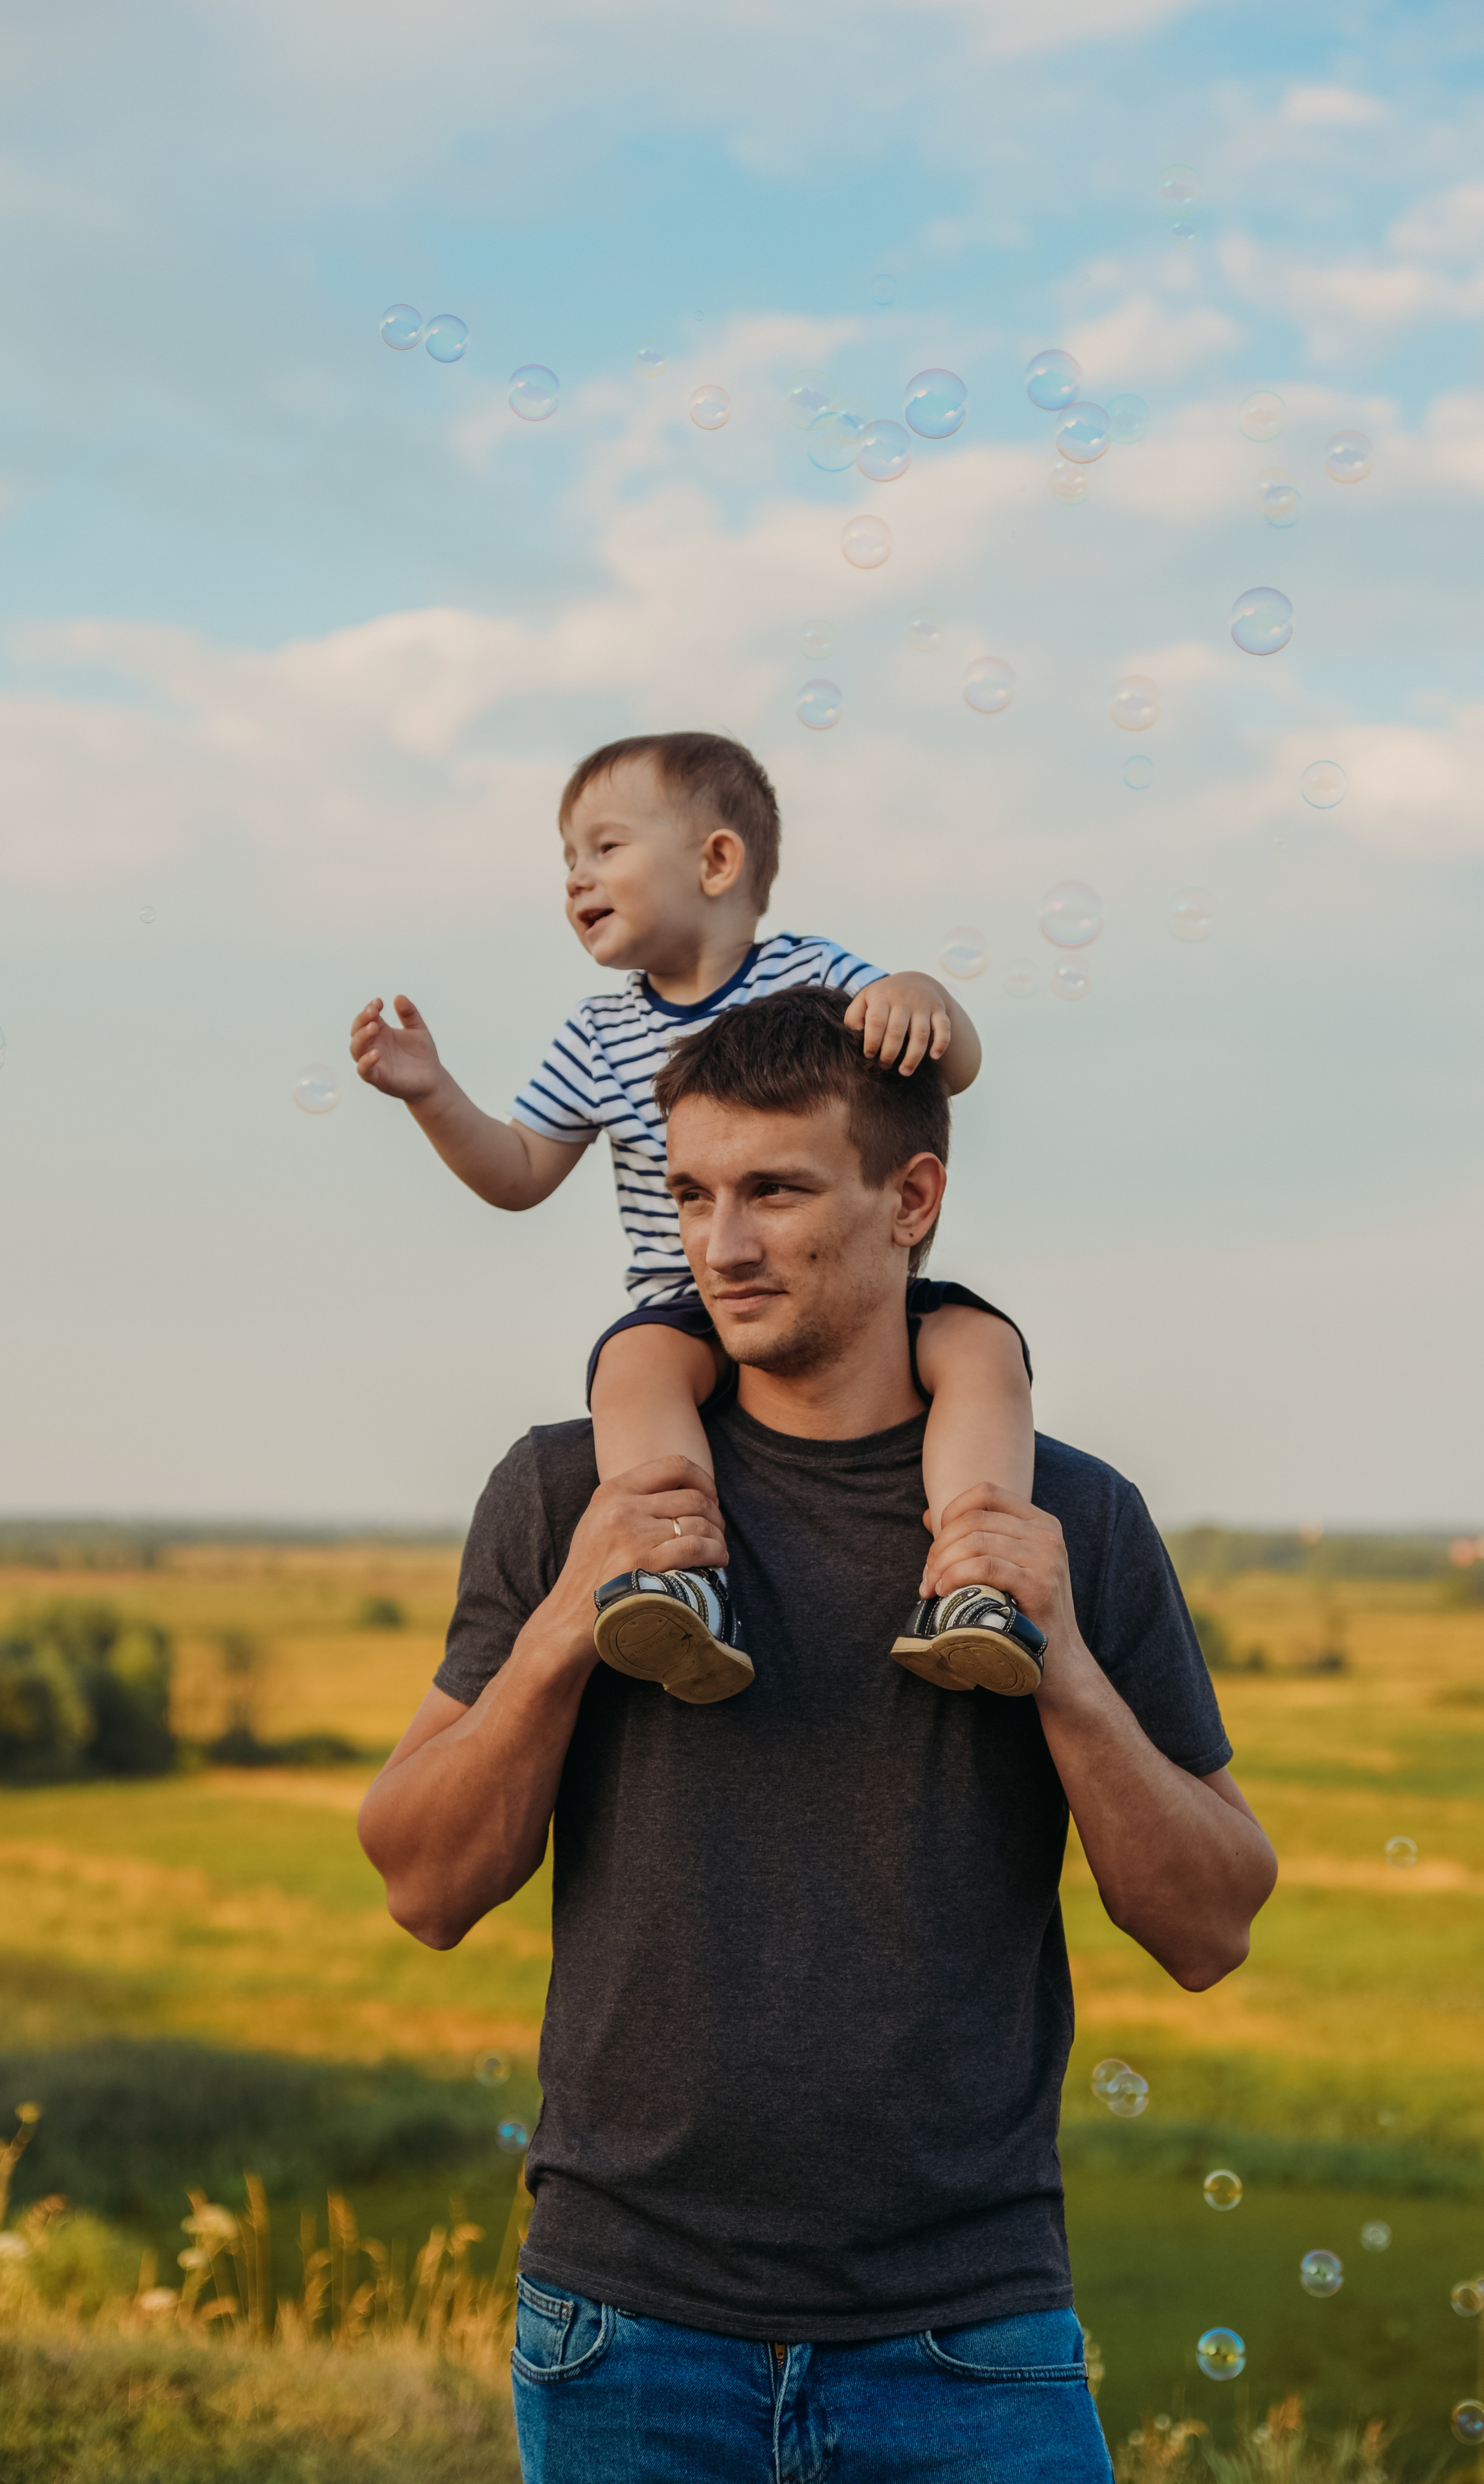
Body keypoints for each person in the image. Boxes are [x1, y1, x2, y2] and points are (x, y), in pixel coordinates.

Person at [358, 985, 1279, 2484]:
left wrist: (1060, 1670)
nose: (717, 1247)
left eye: (774, 1192)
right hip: (621, 2334)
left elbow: (1211, 1924)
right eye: (689, 1194)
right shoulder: (567, 1491)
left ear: (911, 1201)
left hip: (969, 2339)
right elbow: (421, 1883)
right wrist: (567, 1622)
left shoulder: (1071, 1515)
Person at [348, 730, 1038, 1703]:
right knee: (634, 1368)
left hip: (848, 1296)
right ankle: (677, 1580)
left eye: (606, 847)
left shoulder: (815, 973)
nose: (576, 877)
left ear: (717, 861)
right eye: (568, 857)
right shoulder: (598, 1033)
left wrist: (921, 995)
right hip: (683, 1304)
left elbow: (948, 1067)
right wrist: (431, 1094)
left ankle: (978, 1585)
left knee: (983, 1347)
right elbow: (518, 1171)